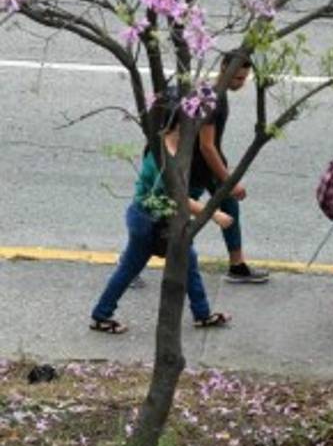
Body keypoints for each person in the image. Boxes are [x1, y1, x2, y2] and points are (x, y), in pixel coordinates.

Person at [90, 114, 233, 334]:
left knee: (183, 262)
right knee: (133, 268)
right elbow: (177, 197)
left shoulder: (168, 149)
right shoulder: (165, 159)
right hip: (148, 222)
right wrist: (214, 215)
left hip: (148, 218)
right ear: (176, 126)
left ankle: (202, 314)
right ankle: (101, 315)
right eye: (191, 123)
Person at [191, 50, 269, 283]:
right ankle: (130, 259)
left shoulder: (214, 92)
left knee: (230, 206)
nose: (240, 83)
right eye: (237, 78)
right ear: (224, 67)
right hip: (194, 168)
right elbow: (206, 146)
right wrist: (228, 180)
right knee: (165, 212)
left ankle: (237, 265)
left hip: (209, 166)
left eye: (244, 79)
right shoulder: (211, 98)